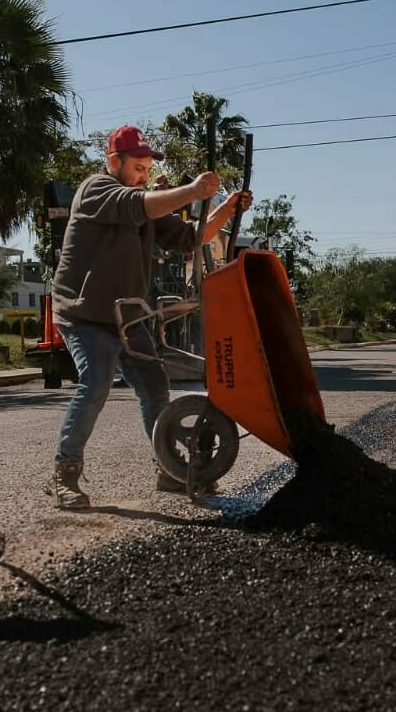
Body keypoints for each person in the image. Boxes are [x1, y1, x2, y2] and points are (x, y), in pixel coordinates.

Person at [47, 125, 252, 509]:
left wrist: (226, 208)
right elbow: (136, 206)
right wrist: (191, 191)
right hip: (85, 314)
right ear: (115, 162)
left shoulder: (147, 205)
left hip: (126, 315)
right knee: (96, 381)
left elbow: (192, 238)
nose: (144, 175)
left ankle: (169, 468)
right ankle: (65, 472)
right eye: (138, 167)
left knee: (155, 386)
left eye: (147, 168)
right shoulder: (96, 190)